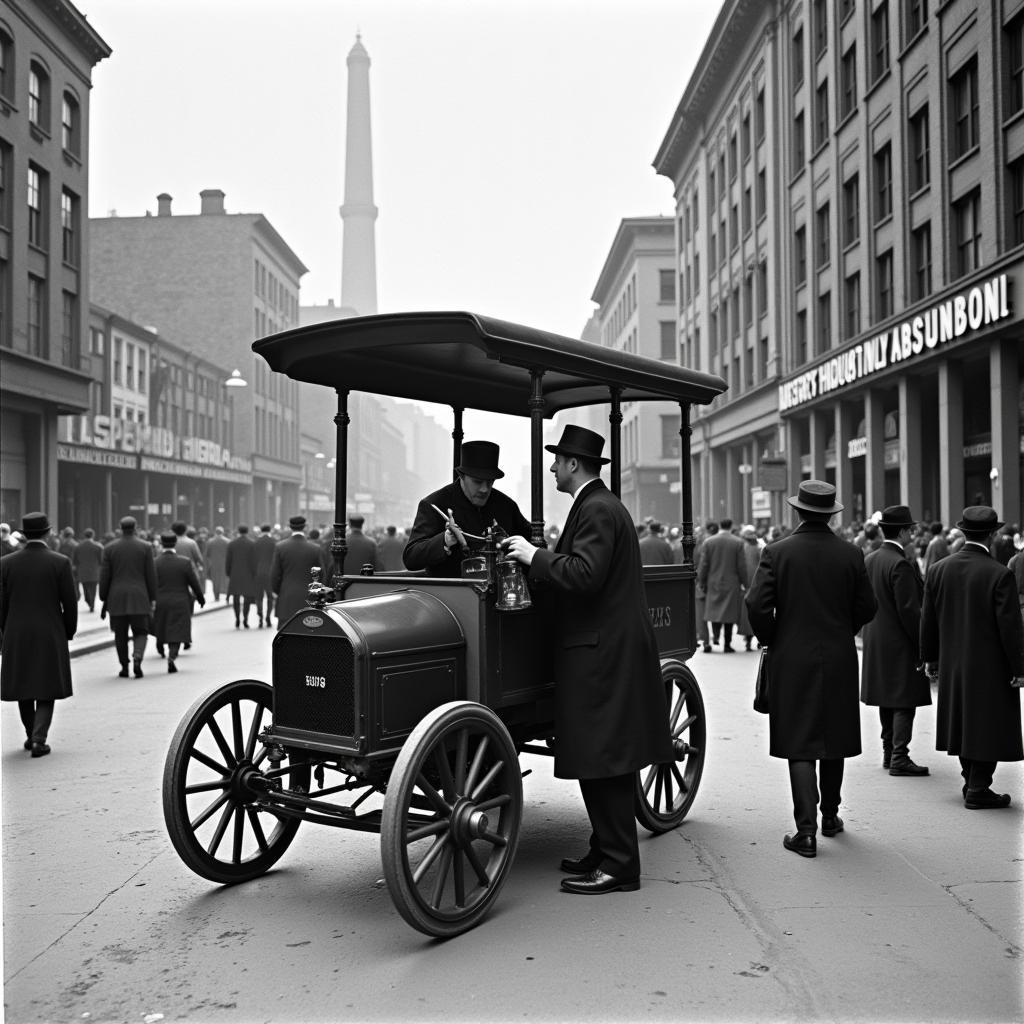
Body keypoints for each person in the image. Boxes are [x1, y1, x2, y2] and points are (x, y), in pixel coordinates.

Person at [504, 425, 672, 895]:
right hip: (601, 648)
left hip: (601, 653)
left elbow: (585, 575)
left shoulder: (597, 508)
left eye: (558, 461)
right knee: (598, 755)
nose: (554, 467)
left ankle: (620, 865)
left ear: (575, 464)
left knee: (606, 758)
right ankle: (605, 848)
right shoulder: (600, 505)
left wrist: (533, 554)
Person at [745, 481, 877, 859]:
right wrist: (843, 629)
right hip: (837, 655)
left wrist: (772, 636)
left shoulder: (778, 552)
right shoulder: (851, 554)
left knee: (800, 740)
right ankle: (831, 816)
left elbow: (756, 604)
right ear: (830, 514)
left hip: (792, 656)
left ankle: (806, 832)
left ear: (799, 512)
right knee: (832, 734)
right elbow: (868, 607)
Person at [921, 506, 1024, 809]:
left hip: (953, 660)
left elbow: (928, 619)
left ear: (963, 533)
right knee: (988, 723)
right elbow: (1010, 628)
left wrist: (930, 658)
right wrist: (1019, 668)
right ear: (992, 535)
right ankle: (978, 786)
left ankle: (972, 780)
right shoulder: (998, 573)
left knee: (963, 720)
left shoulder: (939, 569)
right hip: (990, 663)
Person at [860, 506, 931, 777]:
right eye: (910, 530)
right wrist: (923, 644)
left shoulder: (871, 559)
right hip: (899, 641)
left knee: (886, 698)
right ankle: (900, 755)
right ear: (901, 532)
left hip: (876, 637)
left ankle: (889, 751)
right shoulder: (900, 563)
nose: (912, 534)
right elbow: (910, 611)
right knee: (904, 698)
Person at [0, 513, 77, 757]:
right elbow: (70, 603)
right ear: (47, 532)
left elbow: (1, 604)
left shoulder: (6, 563)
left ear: (24, 534)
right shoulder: (60, 562)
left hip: (16, 630)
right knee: (47, 686)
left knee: (24, 685)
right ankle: (39, 739)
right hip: (49, 630)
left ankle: (30, 732)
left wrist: (5, 631)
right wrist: (68, 630)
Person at [404, 441, 532, 578]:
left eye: (490, 482)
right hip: (452, 595)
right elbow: (411, 557)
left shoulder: (506, 506)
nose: (484, 489)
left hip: (499, 595)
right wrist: (445, 540)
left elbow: (532, 545)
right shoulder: (434, 504)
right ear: (462, 476)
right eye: (477, 482)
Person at [99, 515, 158, 678]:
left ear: (120, 528)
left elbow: (105, 576)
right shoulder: (145, 547)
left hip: (116, 597)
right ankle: (137, 656)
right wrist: (153, 597)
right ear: (136, 528)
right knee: (141, 631)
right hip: (139, 596)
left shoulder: (109, 548)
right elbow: (150, 575)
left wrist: (103, 596)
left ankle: (124, 666)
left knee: (120, 634)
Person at [153, 531, 205, 672]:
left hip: (160, 600)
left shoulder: (155, 562)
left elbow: (150, 583)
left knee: (161, 625)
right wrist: (201, 598)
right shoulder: (184, 562)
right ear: (175, 543)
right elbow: (194, 583)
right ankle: (172, 656)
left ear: (162, 544)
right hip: (180, 601)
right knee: (177, 630)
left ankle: (160, 647)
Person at [697, 517, 748, 652]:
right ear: (731, 526)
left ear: (720, 526)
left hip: (713, 582)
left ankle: (715, 636)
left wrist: (701, 581)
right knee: (729, 615)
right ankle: (727, 644)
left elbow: (704, 564)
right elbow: (741, 566)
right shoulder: (738, 542)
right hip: (732, 583)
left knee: (715, 611)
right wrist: (746, 583)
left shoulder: (708, 542)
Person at [270, 515, 325, 626]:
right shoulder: (315, 549)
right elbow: (321, 575)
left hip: (286, 598)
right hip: (309, 599)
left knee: (285, 635)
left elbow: (274, 575)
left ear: (290, 527)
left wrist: (278, 591)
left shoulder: (280, 547)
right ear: (304, 527)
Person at [736, 525, 763, 651]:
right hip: (757, 584)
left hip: (746, 584)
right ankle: (759, 639)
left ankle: (747, 640)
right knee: (759, 611)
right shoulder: (759, 547)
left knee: (746, 613)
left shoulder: (742, 547)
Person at [226, 524, 258, 628]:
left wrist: (228, 572)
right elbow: (254, 561)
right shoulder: (252, 544)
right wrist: (254, 574)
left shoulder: (232, 544)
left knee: (236, 597)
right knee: (247, 599)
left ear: (238, 531)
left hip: (235, 573)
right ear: (247, 531)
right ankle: (245, 619)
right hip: (248, 574)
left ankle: (237, 619)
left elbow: (228, 561)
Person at [73, 527, 104, 612]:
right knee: (93, 590)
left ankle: (89, 602)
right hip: (94, 571)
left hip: (82, 571)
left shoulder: (78, 547)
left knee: (85, 588)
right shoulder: (98, 547)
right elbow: (101, 561)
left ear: (84, 535)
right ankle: (92, 603)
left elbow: (75, 560)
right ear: (93, 535)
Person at [253, 523, 277, 628]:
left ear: (261, 531)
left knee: (259, 597)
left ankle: (260, 617)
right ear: (270, 530)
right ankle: (268, 617)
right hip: (270, 573)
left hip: (258, 573)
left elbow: (252, 559)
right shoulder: (273, 542)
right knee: (270, 596)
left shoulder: (256, 542)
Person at [205, 525, 230, 602]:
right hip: (225, 564)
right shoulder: (228, 541)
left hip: (214, 564)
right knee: (225, 580)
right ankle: (227, 596)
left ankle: (216, 596)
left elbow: (207, 554)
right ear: (223, 532)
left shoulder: (210, 541)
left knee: (215, 580)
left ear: (215, 532)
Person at [57, 527, 80, 602]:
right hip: (71, 566)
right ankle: (75, 596)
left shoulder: (62, 544)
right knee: (73, 582)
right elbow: (76, 556)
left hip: (63, 565)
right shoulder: (75, 544)